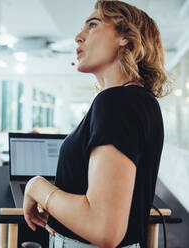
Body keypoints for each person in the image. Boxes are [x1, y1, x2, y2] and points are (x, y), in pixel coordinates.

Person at [23, 1, 170, 248]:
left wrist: (37, 187)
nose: (78, 38)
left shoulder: (116, 102)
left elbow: (103, 228)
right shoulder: (138, 100)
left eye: (93, 25)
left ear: (125, 37)